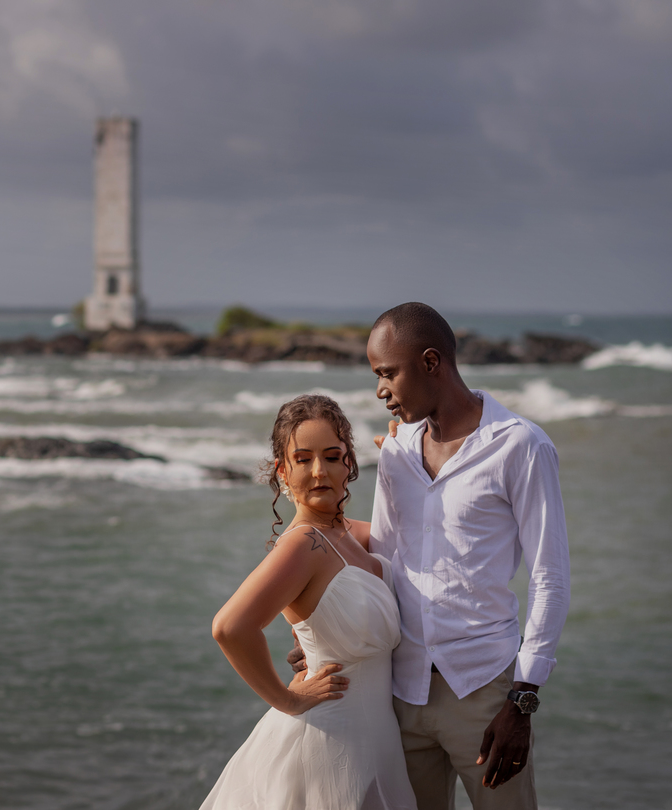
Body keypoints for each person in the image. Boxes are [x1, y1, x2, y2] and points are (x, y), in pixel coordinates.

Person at [289, 302, 569, 810]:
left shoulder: (520, 446)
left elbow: (550, 576)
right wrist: (323, 633)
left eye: (387, 373)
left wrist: (522, 701)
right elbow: (384, 557)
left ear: (431, 362)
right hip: (400, 692)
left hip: (484, 691)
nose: (380, 391)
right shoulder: (396, 450)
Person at [200, 394, 417, 810]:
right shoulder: (303, 543)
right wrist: (287, 700)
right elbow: (229, 628)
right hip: (328, 744)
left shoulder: (349, 535)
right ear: (283, 471)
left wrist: (405, 458)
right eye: (303, 459)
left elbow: (419, 535)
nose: (319, 471)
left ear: (349, 464)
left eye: (332, 456)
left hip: (377, 741)